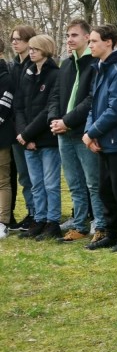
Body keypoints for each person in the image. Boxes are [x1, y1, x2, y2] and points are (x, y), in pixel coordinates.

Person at [49, 19, 105, 244]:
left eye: (74, 35)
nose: (69, 40)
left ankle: (100, 225)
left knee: (93, 182)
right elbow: (55, 95)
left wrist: (68, 121)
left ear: (86, 37)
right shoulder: (66, 64)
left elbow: (92, 99)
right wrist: (54, 120)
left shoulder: (95, 65)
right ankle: (80, 225)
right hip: (63, 132)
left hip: (84, 132)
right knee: (74, 183)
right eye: (67, 35)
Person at [83, 24, 117, 252]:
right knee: (105, 190)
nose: (90, 45)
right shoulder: (101, 68)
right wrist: (89, 133)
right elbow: (93, 106)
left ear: (109, 42)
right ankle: (111, 234)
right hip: (103, 141)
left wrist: (92, 132)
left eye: (94, 41)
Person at [16, 34, 62, 241]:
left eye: (35, 48)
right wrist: (24, 135)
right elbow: (19, 108)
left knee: (51, 183)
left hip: (47, 139)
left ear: (45, 49)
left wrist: (28, 134)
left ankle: (53, 222)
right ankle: (39, 219)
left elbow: (48, 110)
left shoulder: (55, 75)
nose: (31, 51)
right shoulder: (27, 74)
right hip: (28, 140)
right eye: (31, 48)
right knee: (36, 183)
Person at [8, 25, 36, 231]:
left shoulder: (34, 65)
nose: (15, 42)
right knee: (24, 176)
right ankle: (31, 211)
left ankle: (39, 214)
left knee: (36, 176)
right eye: (12, 39)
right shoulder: (13, 66)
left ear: (29, 41)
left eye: (19, 39)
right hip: (14, 129)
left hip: (31, 128)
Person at [0, 38, 15, 239]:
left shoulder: (5, 77)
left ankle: (2, 221)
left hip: (1, 138)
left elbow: (3, 108)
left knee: (2, 181)